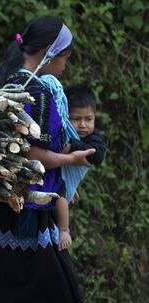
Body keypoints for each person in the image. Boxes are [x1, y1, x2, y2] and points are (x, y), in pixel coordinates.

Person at [0, 16, 93, 303]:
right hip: (22, 215)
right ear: (47, 53)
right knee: (52, 296)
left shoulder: (2, 78)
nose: (66, 64)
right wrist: (70, 160)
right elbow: (33, 154)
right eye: (65, 57)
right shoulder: (37, 93)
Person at [53, 83, 107, 250]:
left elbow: (96, 155)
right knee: (59, 194)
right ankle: (62, 229)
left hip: (66, 180)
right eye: (75, 119)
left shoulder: (94, 137)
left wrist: (70, 148)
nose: (83, 125)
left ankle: (64, 230)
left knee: (62, 193)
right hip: (57, 177)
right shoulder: (62, 131)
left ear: (95, 118)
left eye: (88, 119)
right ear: (65, 116)